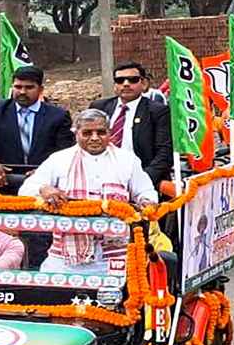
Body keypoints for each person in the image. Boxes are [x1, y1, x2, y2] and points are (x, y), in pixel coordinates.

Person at [19, 109, 157, 274]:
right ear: (76, 133)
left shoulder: (127, 160)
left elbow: (146, 192)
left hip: (114, 256)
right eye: (87, 133)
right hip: (65, 258)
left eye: (101, 132)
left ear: (109, 132)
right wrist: (45, 189)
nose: (94, 138)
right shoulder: (59, 159)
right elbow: (26, 190)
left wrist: (146, 203)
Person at [0, 65, 74, 190]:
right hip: (4, 185)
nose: (22, 92)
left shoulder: (58, 115)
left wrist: (45, 171)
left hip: (45, 188)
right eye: (18, 87)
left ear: (40, 89)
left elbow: (66, 152)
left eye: (29, 87)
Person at [91, 61, 173, 185]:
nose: (126, 84)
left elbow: (165, 153)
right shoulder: (99, 107)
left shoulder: (158, 111)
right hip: (102, 178)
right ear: (114, 85)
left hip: (143, 178)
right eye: (120, 80)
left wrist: (142, 181)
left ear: (144, 83)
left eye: (133, 80)